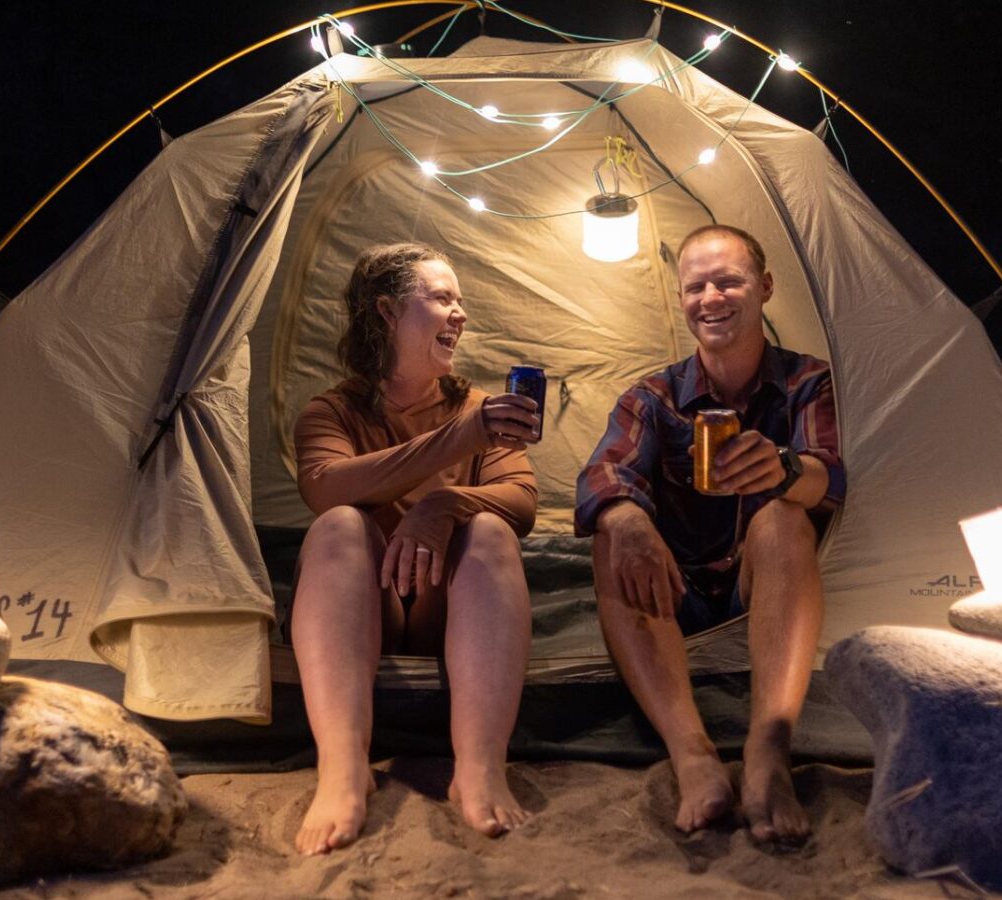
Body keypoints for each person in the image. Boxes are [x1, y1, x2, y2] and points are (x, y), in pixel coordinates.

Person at [574, 225, 845, 843]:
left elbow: (831, 477)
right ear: (681, 301)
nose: (711, 297)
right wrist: (627, 518)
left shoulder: (808, 383)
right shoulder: (654, 396)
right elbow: (600, 476)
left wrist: (784, 470)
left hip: (764, 583)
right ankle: (692, 755)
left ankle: (768, 749)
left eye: (729, 280)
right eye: (696, 286)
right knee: (614, 530)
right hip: (678, 591)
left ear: (765, 288)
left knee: (781, 514)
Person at [290, 242, 543, 855]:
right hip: (366, 601)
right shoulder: (333, 410)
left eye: (460, 302)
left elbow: (523, 500)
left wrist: (444, 505)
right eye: (442, 298)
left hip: (445, 606)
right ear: (386, 313)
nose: (460, 314)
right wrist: (463, 440)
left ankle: (480, 766)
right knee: (338, 527)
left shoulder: (477, 406)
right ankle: (344, 768)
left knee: (490, 529)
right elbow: (326, 486)